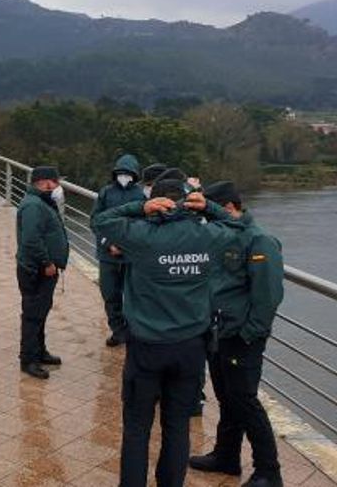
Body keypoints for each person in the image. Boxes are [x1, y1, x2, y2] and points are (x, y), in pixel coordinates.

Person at [92, 179, 235, 487]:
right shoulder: (207, 235)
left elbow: (100, 221)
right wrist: (209, 207)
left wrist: (139, 208)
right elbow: (243, 228)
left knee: (137, 427)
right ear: (185, 202)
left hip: (147, 346)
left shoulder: (142, 236)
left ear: (155, 203)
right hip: (190, 348)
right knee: (177, 425)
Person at [189, 181, 286, 487]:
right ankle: (226, 456)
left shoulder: (259, 241)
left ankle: (269, 471)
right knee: (227, 398)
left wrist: (250, 333)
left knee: (245, 400)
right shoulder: (221, 238)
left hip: (242, 337)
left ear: (229, 208)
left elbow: (268, 296)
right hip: (218, 332)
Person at [15, 165, 69, 379]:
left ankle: (40, 351)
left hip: (42, 269)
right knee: (32, 315)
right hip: (36, 270)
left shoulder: (42, 202)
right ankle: (28, 360)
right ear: (46, 182)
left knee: (40, 312)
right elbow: (31, 240)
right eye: (56, 182)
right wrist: (47, 263)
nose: (58, 187)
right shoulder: (34, 206)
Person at [91, 154, 146, 347]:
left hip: (130, 257)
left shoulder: (140, 195)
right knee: (110, 294)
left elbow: (143, 225)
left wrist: (126, 246)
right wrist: (108, 244)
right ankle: (117, 331)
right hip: (107, 256)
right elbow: (95, 222)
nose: (124, 176)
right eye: (121, 173)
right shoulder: (105, 193)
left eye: (128, 173)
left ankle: (133, 331)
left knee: (132, 296)